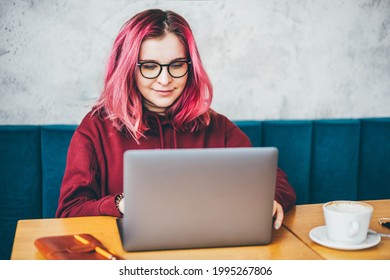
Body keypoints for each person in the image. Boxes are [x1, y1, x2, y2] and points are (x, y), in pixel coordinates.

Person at [56, 9, 296, 230]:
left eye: (176, 65)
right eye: (149, 66)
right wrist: (120, 204)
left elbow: (274, 180)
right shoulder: (96, 128)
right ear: (128, 68)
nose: (164, 79)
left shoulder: (216, 126)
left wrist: (272, 199)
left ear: (190, 67)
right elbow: (69, 211)